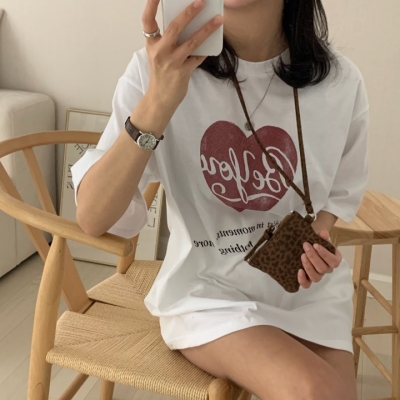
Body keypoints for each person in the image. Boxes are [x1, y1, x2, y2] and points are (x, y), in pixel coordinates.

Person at [72, 0, 369, 398]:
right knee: (316, 390)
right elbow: (93, 217)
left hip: (304, 290)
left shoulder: (340, 82)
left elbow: (338, 191)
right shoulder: (159, 69)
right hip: (207, 293)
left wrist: (319, 236)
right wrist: (159, 100)